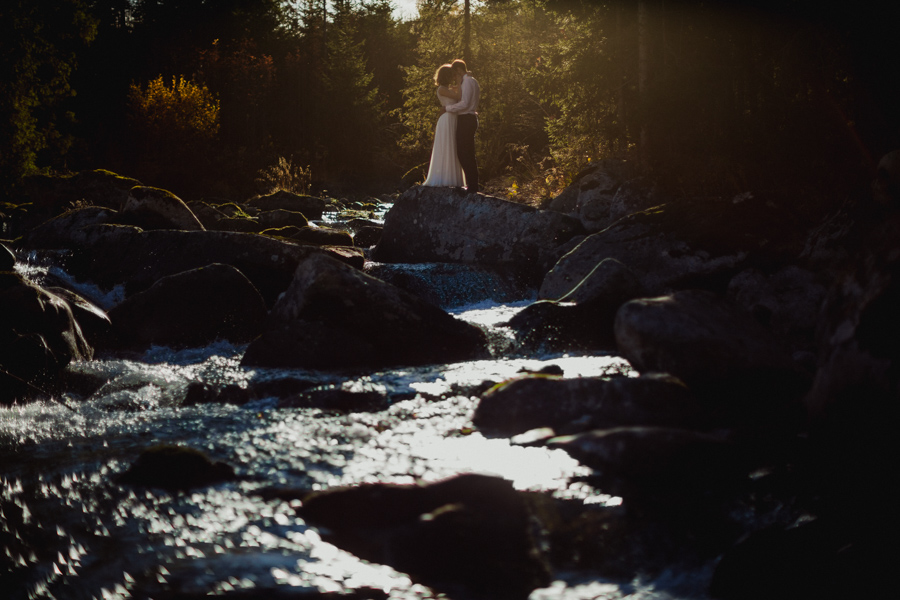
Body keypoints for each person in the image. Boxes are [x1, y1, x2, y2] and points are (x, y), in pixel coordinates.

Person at [422, 64, 466, 188]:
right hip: (446, 119)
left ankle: (454, 178)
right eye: (452, 74)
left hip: (452, 118)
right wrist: (459, 81)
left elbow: (460, 92)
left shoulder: (448, 88)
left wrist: (462, 81)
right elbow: (458, 96)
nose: (454, 77)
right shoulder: (442, 89)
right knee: (447, 146)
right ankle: (444, 178)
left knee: (453, 147)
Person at [443, 59, 480, 193]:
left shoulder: (468, 82)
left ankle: (473, 186)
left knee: (464, 153)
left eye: (454, 73)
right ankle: (472, 185)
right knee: (467, 152)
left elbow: (464, 104)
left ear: (459, 70)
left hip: (466, 119)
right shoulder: (471, 81)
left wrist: (447, 108)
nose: (453, 77)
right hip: (467, 119)